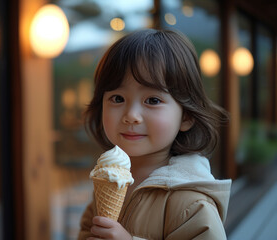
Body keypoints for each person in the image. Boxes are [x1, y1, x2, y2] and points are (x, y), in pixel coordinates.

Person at [78, 29, 232, 240]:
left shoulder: (192, 202)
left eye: (152, 100)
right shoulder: (107, 179)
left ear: (186, 116)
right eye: (117, 98)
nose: (131, 115)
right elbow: (87, 230)